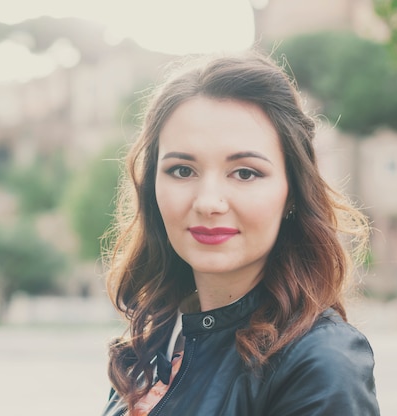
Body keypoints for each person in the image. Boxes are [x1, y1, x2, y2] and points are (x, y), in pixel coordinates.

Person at [101, 51, 379, 415]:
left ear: (292, 190)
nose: (208, 202)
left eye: (245, 173)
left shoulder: (320, 363)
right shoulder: (150, 345)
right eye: (183, 170)